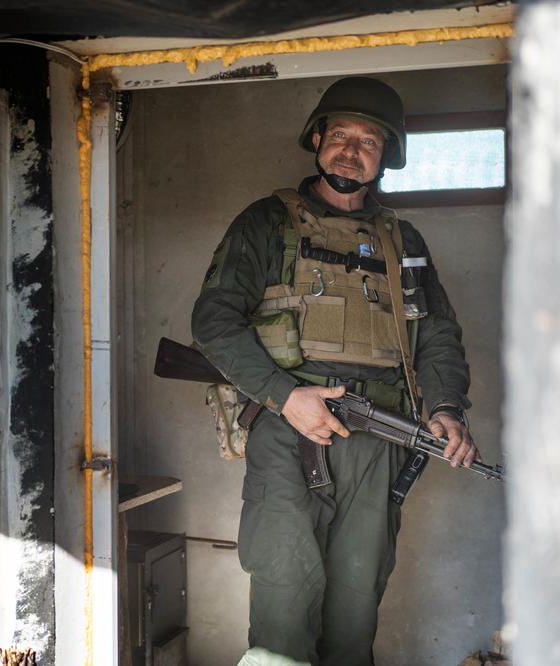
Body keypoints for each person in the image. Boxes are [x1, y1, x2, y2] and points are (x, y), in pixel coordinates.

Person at [190, 76, 480, 666]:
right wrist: (284, 397)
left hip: (379, 436)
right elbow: (214, 321)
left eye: (368, 140)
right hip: (287, 427)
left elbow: (439, 335)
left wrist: (445, 408)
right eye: (341, 134)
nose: (351, 149)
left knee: (355, 608)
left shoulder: (404, 240)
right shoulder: (266, 223)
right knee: (282, 601)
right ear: (318, 139)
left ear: (385, 156)